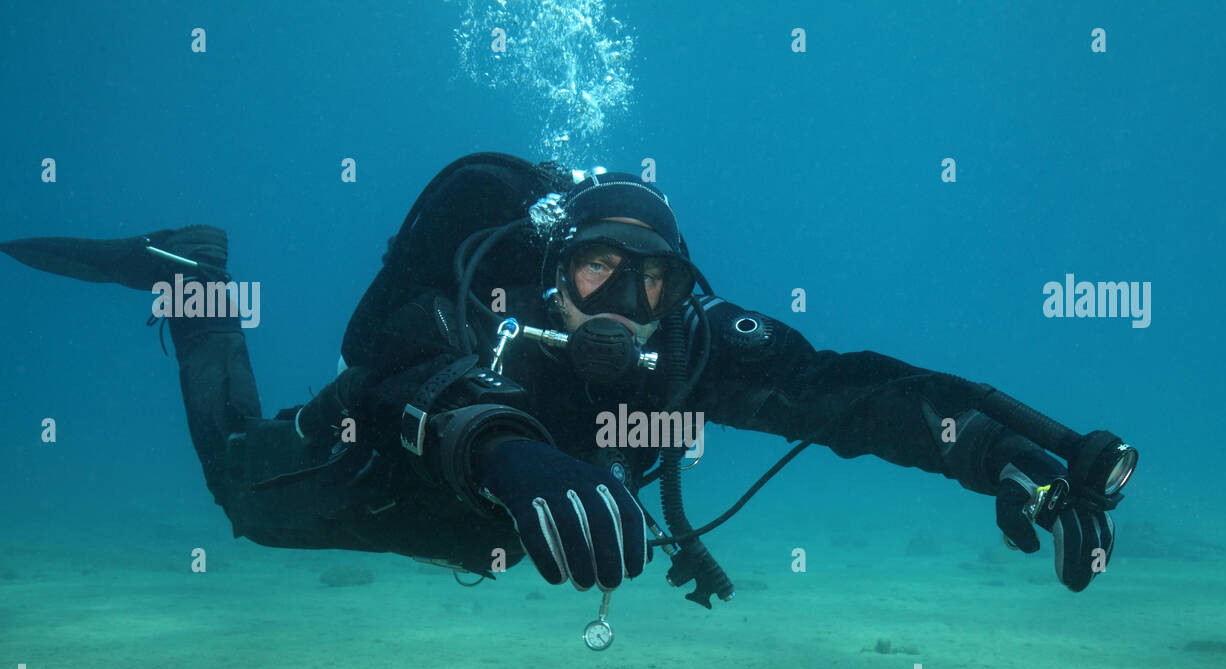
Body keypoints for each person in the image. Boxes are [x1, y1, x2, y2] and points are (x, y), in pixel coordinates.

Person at [1, 152, 1127, 609]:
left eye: (650, 280)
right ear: (553, 270)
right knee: (235, 497)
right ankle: (197, 282)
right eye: (597, 267)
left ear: (680, 291)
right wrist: (504, 446)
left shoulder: (687, 348)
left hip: (478, 529)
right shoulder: (489, 306)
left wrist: (991, 451)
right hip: (369, 473)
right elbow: (401, 381)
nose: (620, 301)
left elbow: (849, 395)